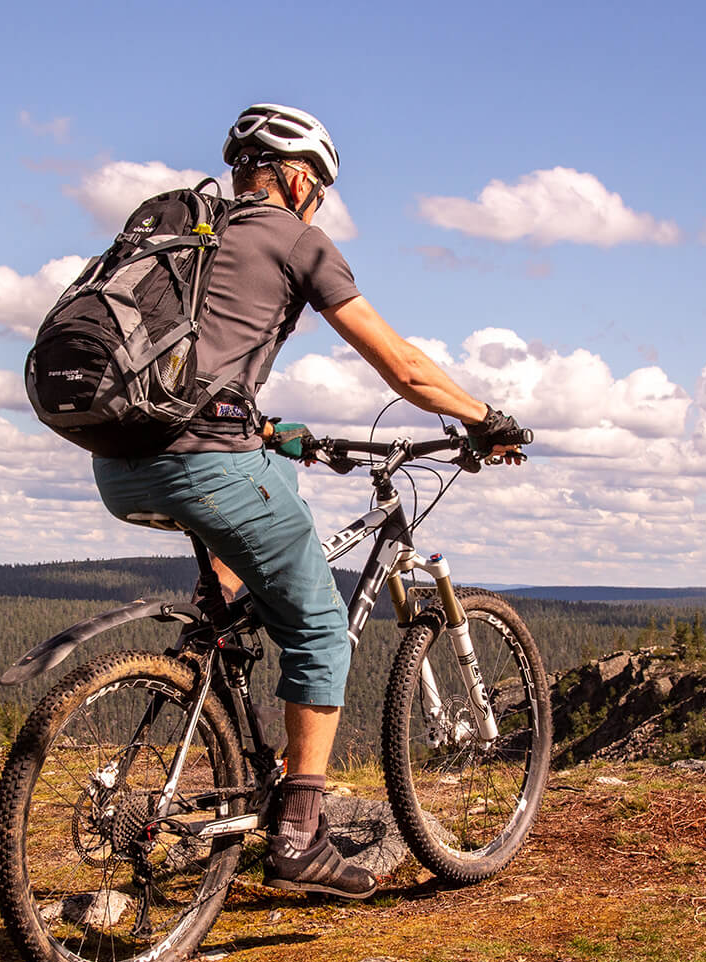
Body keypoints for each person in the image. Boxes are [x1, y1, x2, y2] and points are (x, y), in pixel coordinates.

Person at [92, 103, 524, 899]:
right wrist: (482, 417)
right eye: (318, 190)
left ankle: (221, 604)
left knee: (271, 476)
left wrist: (266, 427)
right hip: (202, 465)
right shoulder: (296, 239)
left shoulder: (187, 232)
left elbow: (189, 362)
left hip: (117, 463)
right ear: (296, 179)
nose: (316, 204)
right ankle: (298, 836)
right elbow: (401, 366)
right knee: (322, 627)